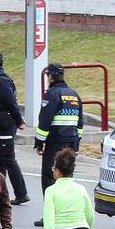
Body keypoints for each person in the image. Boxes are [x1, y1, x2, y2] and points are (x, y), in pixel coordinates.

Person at [0, 50, 28, 204]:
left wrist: (19, 120)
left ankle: (21, 193)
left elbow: (11, 103)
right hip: (2, 124)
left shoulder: (1, 80)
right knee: (0, 160)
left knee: (8, 158)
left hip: (5, 124)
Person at [35, 63, 82, 202]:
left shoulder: (51, 94)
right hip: (71, 142)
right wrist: (76, 145)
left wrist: (39, 143)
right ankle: (66, 210)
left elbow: (44, 121)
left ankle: (52, 212)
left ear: (51, 77)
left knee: (50, 177)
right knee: (67, 177)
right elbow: (80, 123)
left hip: (55, 143)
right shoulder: (74, 95)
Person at [40, 148, 93, 229]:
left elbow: (49, 220)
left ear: (57, 171)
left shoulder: (51, 191)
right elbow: (90, 216)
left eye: (54, 168)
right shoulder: (81, 189)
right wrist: (83, 228)